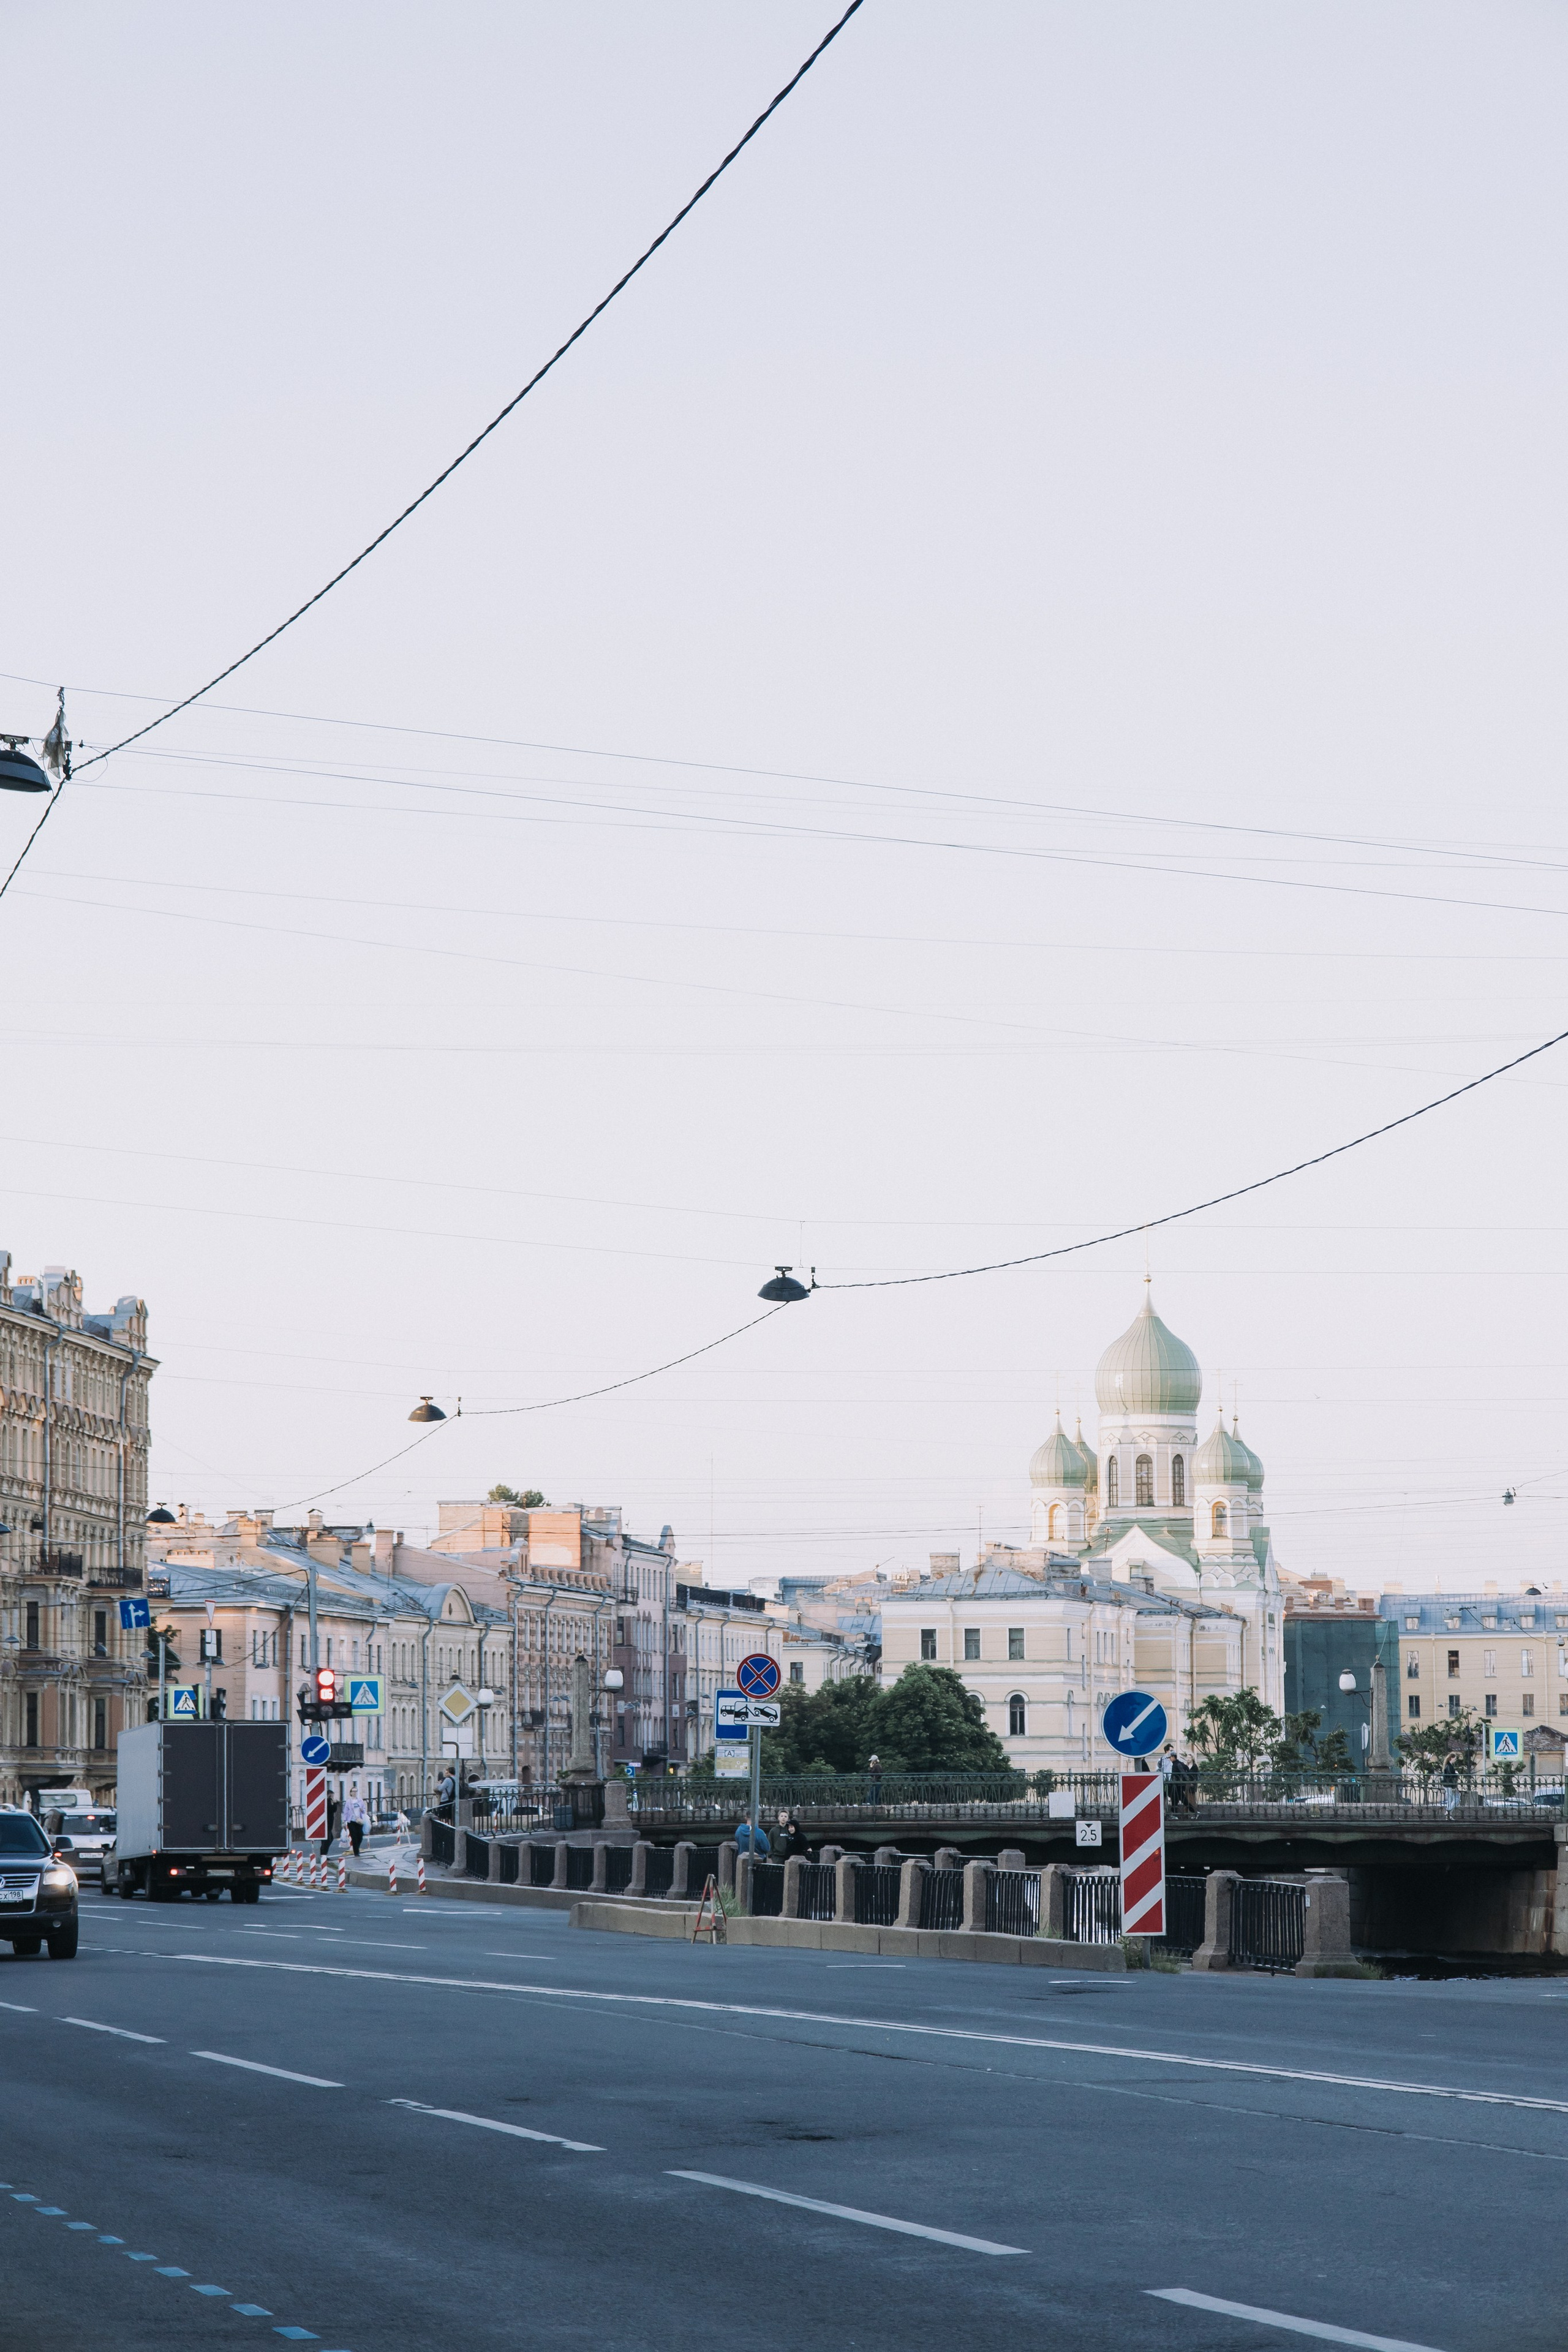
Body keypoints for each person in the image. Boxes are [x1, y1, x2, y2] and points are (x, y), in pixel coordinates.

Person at [342, 1785, 369, 1858]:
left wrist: (361, 1810)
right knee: (354, 1836)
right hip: (351, 1821)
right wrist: (344, 1821)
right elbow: (346, 1811)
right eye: (353, 1791)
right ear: (351, 1793)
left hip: (359, 1820)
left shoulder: (360, 1800)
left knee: (360, 1836)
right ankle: (356, 1852)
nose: (355, 1793)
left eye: (356, 1791)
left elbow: (364, 1810)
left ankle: (357, 1847)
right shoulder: (349, 1801)